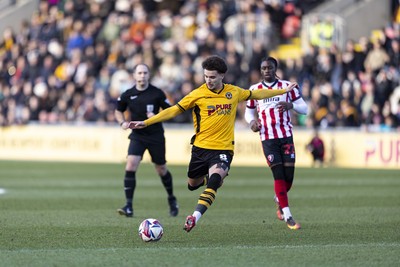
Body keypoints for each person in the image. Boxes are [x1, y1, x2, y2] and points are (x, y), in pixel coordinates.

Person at [128, 55, 296, 232]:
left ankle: (194, 217)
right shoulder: (198, 94)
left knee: (215, 180)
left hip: (223, 149)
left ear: (222, 75)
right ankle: (210, 177)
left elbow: (256, 94)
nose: (208, 80)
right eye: (206, 76)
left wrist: (282, 91)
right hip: (200, 149)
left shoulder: (233, 92)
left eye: (212, 77)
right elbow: (174, 110)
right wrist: (147, 122)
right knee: (192, 184)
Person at [244, 56, 308, 230]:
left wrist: (290, 106)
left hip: (286, 135)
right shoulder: (254, 90)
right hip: (268, 137)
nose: (267, 71)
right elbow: (249, 113)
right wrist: (252, 123)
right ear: (260, 70)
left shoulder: (287, 87)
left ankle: (279, 198)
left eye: (270, 68)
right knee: (278, 174)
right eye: (264, 68)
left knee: (289, 178)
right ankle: (288, 216)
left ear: (275, 68)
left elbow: (305, 108)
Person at [115, 63, 179, 218]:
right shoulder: (128, 94)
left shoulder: (157, 93)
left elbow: (171, 111)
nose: (142, 76)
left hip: (155, 135)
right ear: (134, 75)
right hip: (138, 135)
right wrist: (122, 122)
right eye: (139, 73)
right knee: (130, 164)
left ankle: (172, 199)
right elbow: (118, 110)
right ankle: (128, 206)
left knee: (161, 169)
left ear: (148, 75)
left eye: (145, 73)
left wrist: (157, 117)